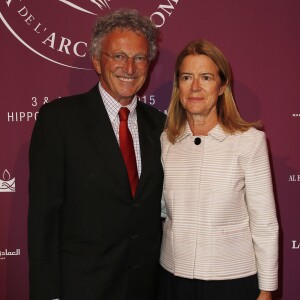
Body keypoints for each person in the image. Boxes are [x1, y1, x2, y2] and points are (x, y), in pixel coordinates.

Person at [28, 8, 166, 300]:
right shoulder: (59, 121)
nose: (129, 68)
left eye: (139, 57)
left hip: (144, 289)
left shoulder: (161, 126)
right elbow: (43, 220)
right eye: (118, 56)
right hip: (81, 289)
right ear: (96, 61)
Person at [159, 40, 278, 300]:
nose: (195, 87)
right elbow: (163, 211)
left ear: (222, 86)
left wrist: (266, 289)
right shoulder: (166, 141)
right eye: (187, 77)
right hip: (173, 279)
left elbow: (265, 223)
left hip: (231, 283)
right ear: (178, 85)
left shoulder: (249, 141)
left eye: (206, 77)